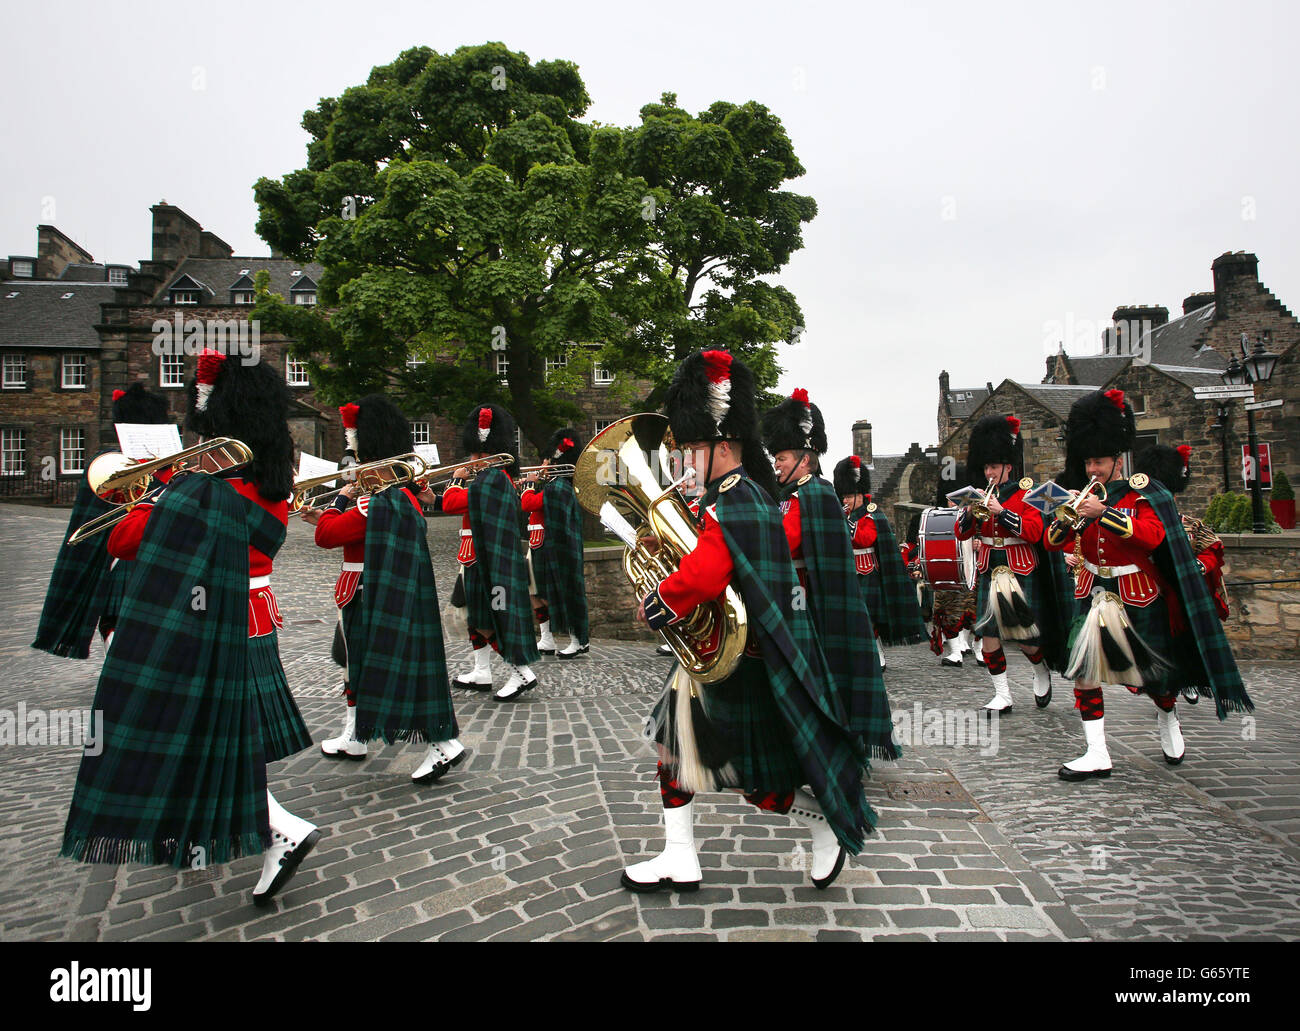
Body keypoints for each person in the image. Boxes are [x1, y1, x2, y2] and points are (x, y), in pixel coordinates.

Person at [60, 349, 320, 907]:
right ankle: (233, 828)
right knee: (227, 733)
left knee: (204, 732)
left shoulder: (208, 486)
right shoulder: (269, 473)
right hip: (252, 612)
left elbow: (125, 543)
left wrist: (150, 498)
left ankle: (279, 828)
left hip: (209, 620)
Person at [622, 350, 877, 893]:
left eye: (692, 447)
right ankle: (678, 855)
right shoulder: (737, 497)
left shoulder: (740, 500)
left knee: (749, 780)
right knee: (673, 754)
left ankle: (825, 824)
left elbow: (707, 573)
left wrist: (658, 598)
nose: (686, 458)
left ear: (720, 443)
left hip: (743, 664)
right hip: (720, 656)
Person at [1045, 390, 1252, 779]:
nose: (1092, 469)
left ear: (1117, 459)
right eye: (1088, 460)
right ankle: (1097, 751)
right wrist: (1068, 517)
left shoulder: (1141, 493)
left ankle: (1168, 715)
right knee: (1085, 671)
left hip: (1138, 594)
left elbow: (1152, 536)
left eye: (1099, 461)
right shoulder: (1086, 493)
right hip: (1094, 592)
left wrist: (1103, 513)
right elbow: (1052, 541)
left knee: (1155, 675)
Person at [305, 396, 465, 782]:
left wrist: (336, 502)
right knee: (352, 664)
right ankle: (356, 735)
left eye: (357, 451)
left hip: (366, 591)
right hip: (363, 589)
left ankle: (443, 744)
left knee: (379, 666)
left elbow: (327, 536)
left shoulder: (374, 502)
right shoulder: (399, 496)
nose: (355, 460)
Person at [761, 389, 899, 760]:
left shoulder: (814, 493)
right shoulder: (793, 493)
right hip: (798, 594)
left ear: (805, 459)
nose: (776, 464)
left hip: (811, 600)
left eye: (782, 457)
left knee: (816, 675)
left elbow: (784, 541)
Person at [33, 384, 174, 656]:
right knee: (121, 625)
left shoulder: (171, 466)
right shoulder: (110, 464)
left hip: (156, 558)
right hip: (123, 559)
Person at [955, 414, 1070, 712]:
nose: (989, 472)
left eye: (993, 466)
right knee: (989, 634)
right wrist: (970, 512)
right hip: (990, 567)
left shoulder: (1027, 493)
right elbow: (961, 532)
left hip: (1020, 567)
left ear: (1008, 465)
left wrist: (1001, 511)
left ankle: (1040, 668)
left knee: (1026, 637)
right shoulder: (981, 493)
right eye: (986, 467)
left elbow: (1034, 531)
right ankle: (1003, 694)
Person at [436, 404, 540, 701]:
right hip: (473, 555)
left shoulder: (493, 478)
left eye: (474, 454)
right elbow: (456, 504)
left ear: (484, 453)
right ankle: (482, 670)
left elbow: (453, 502)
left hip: (488, 560)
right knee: (474, 615)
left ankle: (521, 671)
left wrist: (456, 478)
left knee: (493, 615)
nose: (470, 460)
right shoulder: (491, 478)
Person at [1130, 443, 1227, 706]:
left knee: (1185, 639)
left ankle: (1187, 680)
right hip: (1151, 589)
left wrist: (1197, 566)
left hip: (1183, 588)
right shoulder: (1140, 519)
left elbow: (1212, 551)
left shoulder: (1191, 523)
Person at [831, 452, 927, 669]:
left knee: (869, 618)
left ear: (860, 494)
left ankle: (877, 653)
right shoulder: (844, 514)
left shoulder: (872, 515)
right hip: (848, 572)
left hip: (868, 572)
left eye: (848, 496)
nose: (844, 501)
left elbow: (866, 538)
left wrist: (845, 523)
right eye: (843, 496)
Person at [523, 428, 590, 659]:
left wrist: (529, 485)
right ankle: (547, 638)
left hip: (551, 548)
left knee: (562, 593)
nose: (543, 463)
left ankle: (578, 640)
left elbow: (528, 503)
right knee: (535, 592)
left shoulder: (558, 487)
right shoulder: (552, 485)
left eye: (547, 460)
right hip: (538, 544)